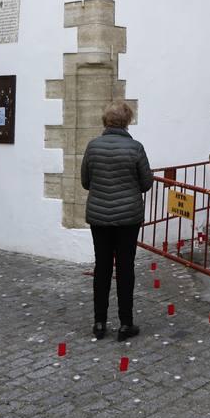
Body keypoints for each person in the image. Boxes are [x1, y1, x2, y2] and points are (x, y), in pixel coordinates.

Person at [80, 99, 152, 341]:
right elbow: (146, 183)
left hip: (99, 217)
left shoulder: (93, 146)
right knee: (125, 268)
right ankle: (125, 324)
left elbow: (85, 182)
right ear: (127, 121)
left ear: (106, 120)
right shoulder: (136, 148)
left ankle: (99, 323)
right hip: (128, 218)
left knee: (102, 267)